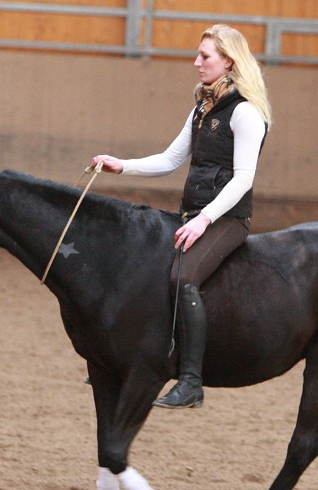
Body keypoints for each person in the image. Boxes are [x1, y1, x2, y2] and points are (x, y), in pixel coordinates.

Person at [92, 24, 272, 409]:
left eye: (204, 56)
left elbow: (243, 179)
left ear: (228, 60)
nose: (196, 62)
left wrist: (204, 219)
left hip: (226, 221)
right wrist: (121, 166)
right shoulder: (202, 108)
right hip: (191, 213)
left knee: (183, 277)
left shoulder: (245, 114)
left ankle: (191, 380)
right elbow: (170, 160)